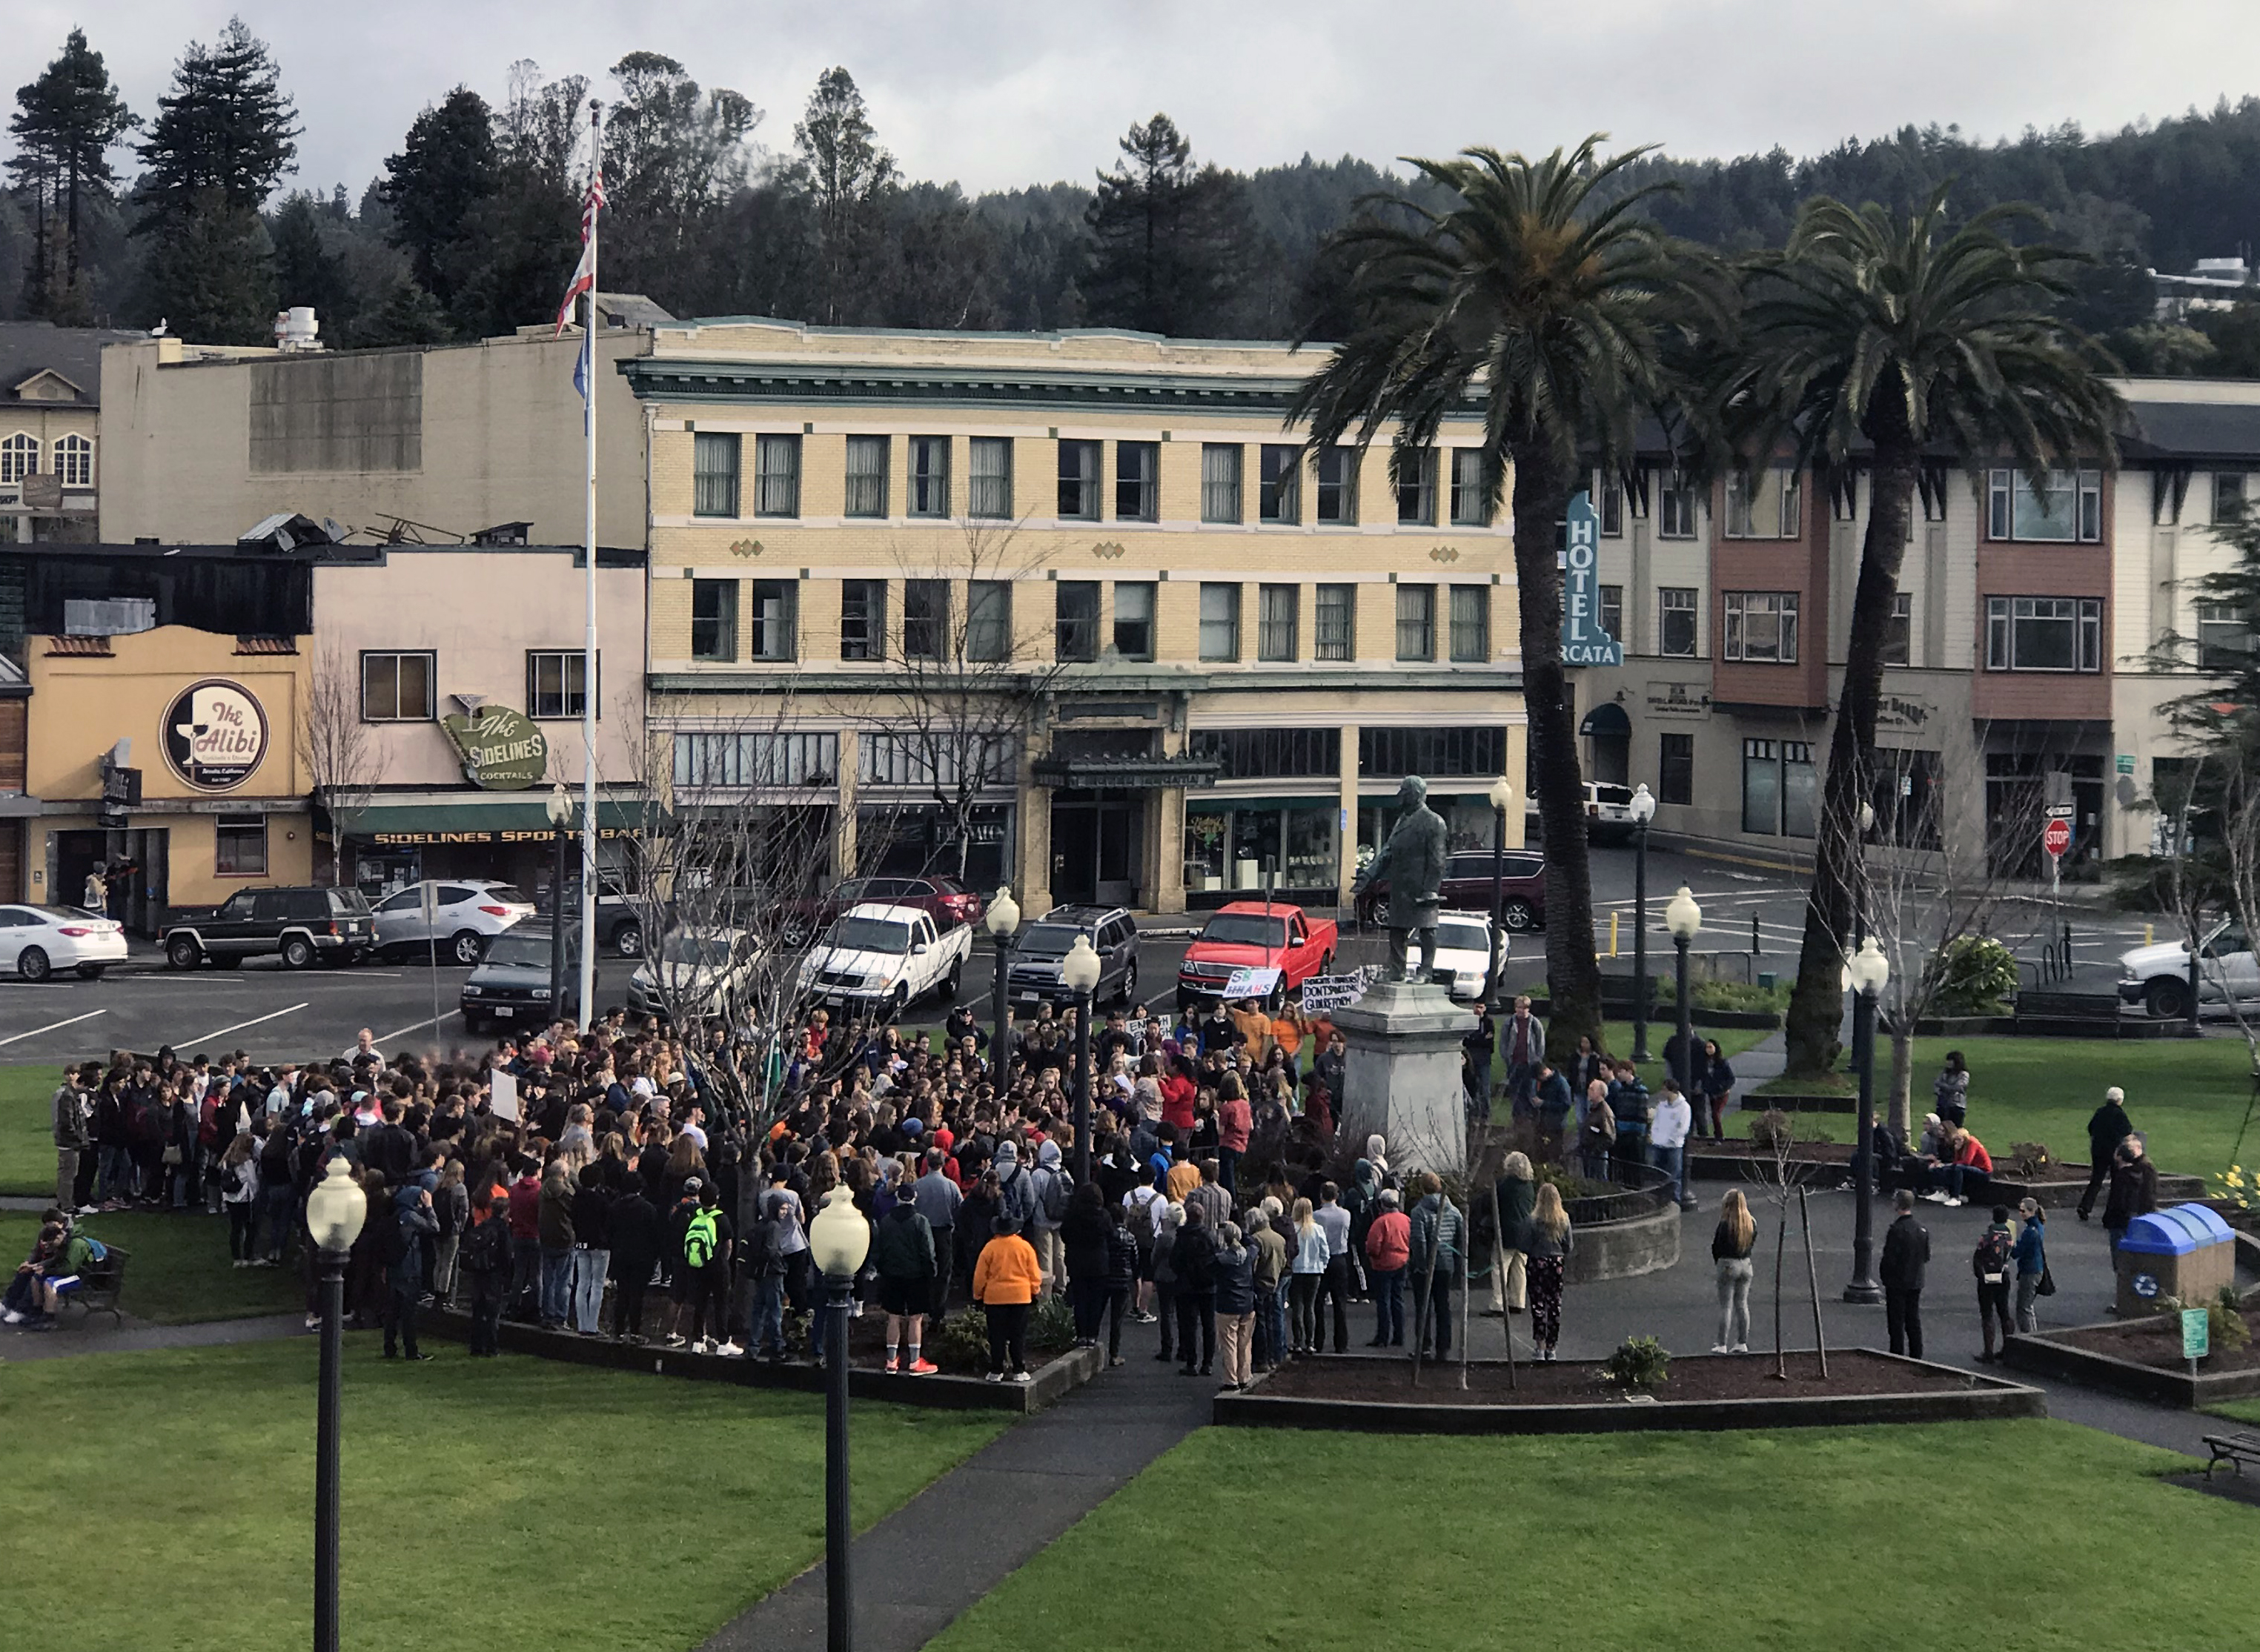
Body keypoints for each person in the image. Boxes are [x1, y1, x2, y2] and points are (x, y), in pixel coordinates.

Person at [872, 1187, 938, 1375]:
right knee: (916, 1318)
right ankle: (915, 1362)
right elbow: (928, 1251)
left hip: (891, 1275)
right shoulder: (920, 1221)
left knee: (893, 1317)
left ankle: (891, 1361)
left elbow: (877, 1250)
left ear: (897, 1197)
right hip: (916, 1276)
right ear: (915, 1197)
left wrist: (883, 1269)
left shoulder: (886, 1221)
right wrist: (931, 1272)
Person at [972, 1213, 1042, 1383]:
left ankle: (996, 1370)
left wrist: (978, 1295)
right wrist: (1034, 1290)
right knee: (1018, 1335)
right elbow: (1034, 1274)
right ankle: (1019, 1369)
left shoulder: (990, 1248)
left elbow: (980, 1276)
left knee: (997, 1336)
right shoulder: (1025, 1247)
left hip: (995, 1298)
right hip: (1021, 1297)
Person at [1408, 1171, 1465, 1360]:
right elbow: (1460, 1239)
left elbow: (1419, 1241)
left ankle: (1424, 1347)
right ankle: (1443, 1348)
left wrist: (1420, 1265)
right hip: (1446, 1264)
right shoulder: (1454, 1211)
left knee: (1423, 1307)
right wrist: (1456, 1262)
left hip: (1426, 1266)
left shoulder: (1419, 1212)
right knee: (1443, 1305)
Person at [380, 1181, 440, 1361]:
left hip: (394, 1268)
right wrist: (429, 1207)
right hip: (410, 1269)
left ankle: (389, 1348)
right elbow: (434, 1228)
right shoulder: (411, 1217)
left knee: (392, 1312)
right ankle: (411, 1350)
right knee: (409, 1313)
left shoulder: (396, 1215)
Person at [458, 1189, 513, 1356]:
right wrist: (506, 1274)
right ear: (505, 1211)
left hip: (479, 1271)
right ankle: (491, 1347)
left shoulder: (483, 1226)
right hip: (494, 1273)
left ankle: (476, 1346)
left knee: (478, 1311)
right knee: (492, 1312)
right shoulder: (502, 1229)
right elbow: (506, 1255)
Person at [1060, 1181, 1113, 1352]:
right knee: (1096, 1301)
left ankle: (1081, 1335)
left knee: (1080, 1299)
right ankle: (1092, 1335)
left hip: (1077, 1261)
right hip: (1099, 1262)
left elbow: (1064, 1234)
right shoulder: (1104, 1216)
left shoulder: (1072, 1215)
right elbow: (1110, 1235)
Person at [1880, 1190, 1931, 1359]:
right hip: (1916, 1280)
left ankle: (1897, 1354)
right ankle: (1917, 1353)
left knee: (1896, 1321)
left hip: (1897, 1281)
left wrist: (1885, 1276)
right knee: (1913, 1319)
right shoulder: (1921, 1229)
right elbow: (1926, 1256)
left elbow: (1890, 1258)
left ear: (1898, 1204)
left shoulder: (1897, 1230)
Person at [1525, 1181, 1573, 1361]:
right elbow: (1569, 1245)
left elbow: (1525, 1244)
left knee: (1538, 1305)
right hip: (1556, 1263)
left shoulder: (1533, 1220)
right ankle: (1552, 1348)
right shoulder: (1564, 1219)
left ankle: (1540, 1347)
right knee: (1554, 1305)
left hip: (1537, 1263)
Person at [1170, 1200, 1219, 1377]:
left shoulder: (1182, 1236)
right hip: (1208, 1286)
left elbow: (1174, 1261)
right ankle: (1208, 1363)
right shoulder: (1210, 1236)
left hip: (1187, 1286)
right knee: (1209, 1325)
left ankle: (1191, 1362)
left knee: (1189, 1325)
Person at [1210, 1218, 1257, 1392]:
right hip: (1247, 1303)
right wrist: (1240, 1230)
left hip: (1227, 1304)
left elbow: (1209, 1267)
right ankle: (1244, 1375)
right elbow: (1253, 1244)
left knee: (1229, 1343)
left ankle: (1231, 1379)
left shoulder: (1220, 1260)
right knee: (1245, 1342)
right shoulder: (1249, 1255)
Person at [2075, 1087, 2133, 1222]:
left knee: (2096, 1179)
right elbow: (2127, 1131)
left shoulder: (2100, 1112)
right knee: (2116, 1181)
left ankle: (2085, 1206)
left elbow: (2091, 1128)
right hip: (2114, 1152)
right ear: (2120, 1100)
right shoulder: (2119, 1114)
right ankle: (2110, 1211)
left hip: (2098, 1150)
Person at [1489, 1151, 1535, 1316]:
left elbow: (1492, 1203)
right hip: (1525, 1232)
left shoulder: (1504, 1185)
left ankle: (1498, 1304)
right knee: (1519, 1267)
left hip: (1507, 1232)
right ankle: (1518, 1301)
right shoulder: (1529, 1186)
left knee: (1499, 1267)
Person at [1364, 1188, 1410, 1347]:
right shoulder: (1406, 1219)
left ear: (1382, 1204)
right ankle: (1399, 1336)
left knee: (1383, 1301)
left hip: (1383, 1264)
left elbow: (1373, 1245)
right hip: (1402, 1262)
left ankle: (1382, 1337)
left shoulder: (1381, 1222)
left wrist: (1372, 1256)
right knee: (1398, 1298)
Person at [1711, 1187, 1755, 1353]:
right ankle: (1742, 1342)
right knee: (1742, 1304)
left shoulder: (1725, 1224)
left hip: (1728, 1264)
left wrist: (1718, 1263)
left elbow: (1717, 1246)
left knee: (1726, 1306)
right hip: (1746, 1264)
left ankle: (1722, 1344)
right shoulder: (1751, 1222)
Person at [1972, 1204, 2017, 1364]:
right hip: (2003, 1275)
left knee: (1987, 1312)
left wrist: (1980, 1275)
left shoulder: (1987, 1237)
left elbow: (1977, 1257)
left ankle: (1988, 1351)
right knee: (2004, 1311)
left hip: (1988, 1275)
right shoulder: (2009, 1236)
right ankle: (2008, 1348)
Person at [1312, 1181, 1353, 1353]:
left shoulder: (1316, 1216)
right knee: (1340, 1302)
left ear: (1321, 1196)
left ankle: (1318, 1341)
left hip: (1321, 1260)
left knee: (1318, 1302)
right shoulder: (1346, 1214)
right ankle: (1341, 1343)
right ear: (1337, 1196)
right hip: (1339, 1258)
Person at [2101, 1135, 2158, 1255]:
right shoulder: (2140, 1171)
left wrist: (2108, 1218)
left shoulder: (2124, 1176)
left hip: (2121, 1220)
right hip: (2135, 1216)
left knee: (2119, 1252)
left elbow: (2118, 1201)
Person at [1288, 1195, 1328, 1356]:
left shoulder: (1292, 1228)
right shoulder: (1317, 1229)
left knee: (1297, 1307)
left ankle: (1298, 1341)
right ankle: (1310, 1343)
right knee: (1310, 1307)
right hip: (1314, 1271)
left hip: (1296, 1271)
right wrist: (1322, 1265)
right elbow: (1325, 1252)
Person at [1501, 995, 1544, 1119]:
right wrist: (1506, 1056)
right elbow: (1503, 1042)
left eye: (1524, 1008)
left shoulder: (1535, 1024)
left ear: (1528, 1009)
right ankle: (1518, 1119)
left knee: (1530, 1092)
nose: (1521, 1011)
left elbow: (1540, 1044)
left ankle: (1531, 1118)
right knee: (1515, 1093)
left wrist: (1537, 1061)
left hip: (1530, 1064)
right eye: (1519, 1008)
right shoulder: (1509, 1023)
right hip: (1514, 1063)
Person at [1650, 1079, 1692, 1204]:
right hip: (1659, 1144)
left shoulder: (1684, 1107)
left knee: (1674, 1175)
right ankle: (1659, 1198)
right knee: (1659, 1173)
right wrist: (1655, 1137)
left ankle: (1674, 1200)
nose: (1662, 1092)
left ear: (1671, 1091)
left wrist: (1671, 1139)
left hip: (1674, 1146)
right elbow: (1656, 1122)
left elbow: (1683, 1128)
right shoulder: (1662, 1105)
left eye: (1664, 1090)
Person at [2012, 1199, 2048, 1333]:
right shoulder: (2038, 1226)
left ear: (2032, 1211)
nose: (2021, 1213)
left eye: (2023, 1211)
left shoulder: (2030, 1231)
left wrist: (2011, 1244)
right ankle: (2034, 1335)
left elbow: (2017, 1252)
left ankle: (2028, 1336)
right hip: (2037, 1269)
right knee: (2028, 1306)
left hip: (2029, 1271)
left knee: (2023, 1308)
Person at [1700, 1041, 1736, 1140]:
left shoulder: (1722, 1063)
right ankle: (1717, 1135)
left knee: (1716, 1113)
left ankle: (1719, 1136)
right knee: (1713, 1113)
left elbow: (1731, 1078)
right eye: (1707, 1047)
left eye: (1711, 1047)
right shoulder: (1705, 1063)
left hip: (1722, 1093)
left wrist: (1724, 1087)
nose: (1708, 1050)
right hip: (1712, 1093)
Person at [1933, 1051, 1970, 1129]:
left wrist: (1943, 1086)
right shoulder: (1944, 1073)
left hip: (1956, 1105)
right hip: (1942, 1104)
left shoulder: (1963, 1074)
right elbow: (1936, 1083)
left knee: (1955, 1129)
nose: (1948, 1063)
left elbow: (1957, 1088)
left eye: (1950, 1061)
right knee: (1941, 1128)